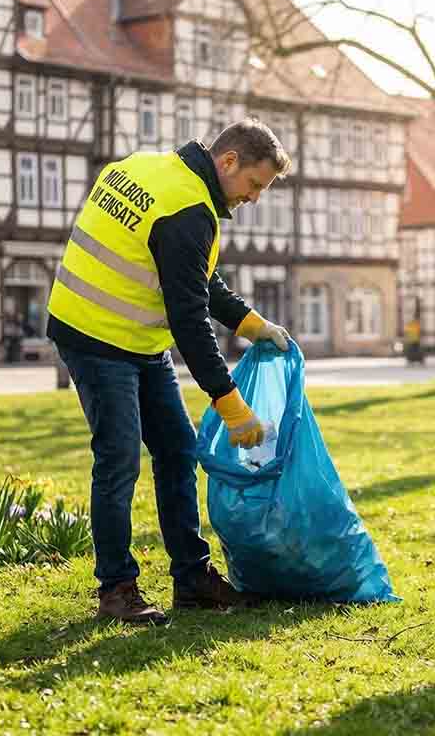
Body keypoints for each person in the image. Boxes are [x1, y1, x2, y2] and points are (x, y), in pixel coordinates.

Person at [47, 118, 293, 625]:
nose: (253, 198)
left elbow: (197, 280)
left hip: (134, 336)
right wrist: (230, 404)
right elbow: (189, 318)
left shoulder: (150, 166)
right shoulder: (188, 211)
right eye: (254, 185)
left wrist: (252, 324)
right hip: (94, 334)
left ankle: (192, 579)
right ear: (228, 162)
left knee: (177, 451)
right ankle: (116, 588)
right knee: (118, 459)